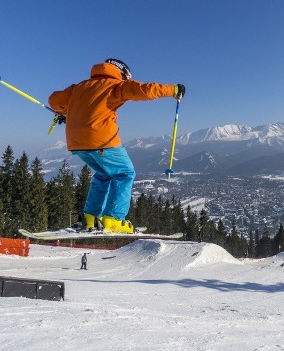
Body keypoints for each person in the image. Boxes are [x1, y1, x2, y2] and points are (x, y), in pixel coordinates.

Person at [49, 58, 185, 234]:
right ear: (123, 74)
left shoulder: (79, 87)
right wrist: (174, 90)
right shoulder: (115, 85)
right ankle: (113, 219)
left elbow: (53, 99)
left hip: (76, 142)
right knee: (125, 173)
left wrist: (66, 111)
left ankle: (90, 217)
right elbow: (145, 90)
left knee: (104, 174)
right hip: (101, 140)